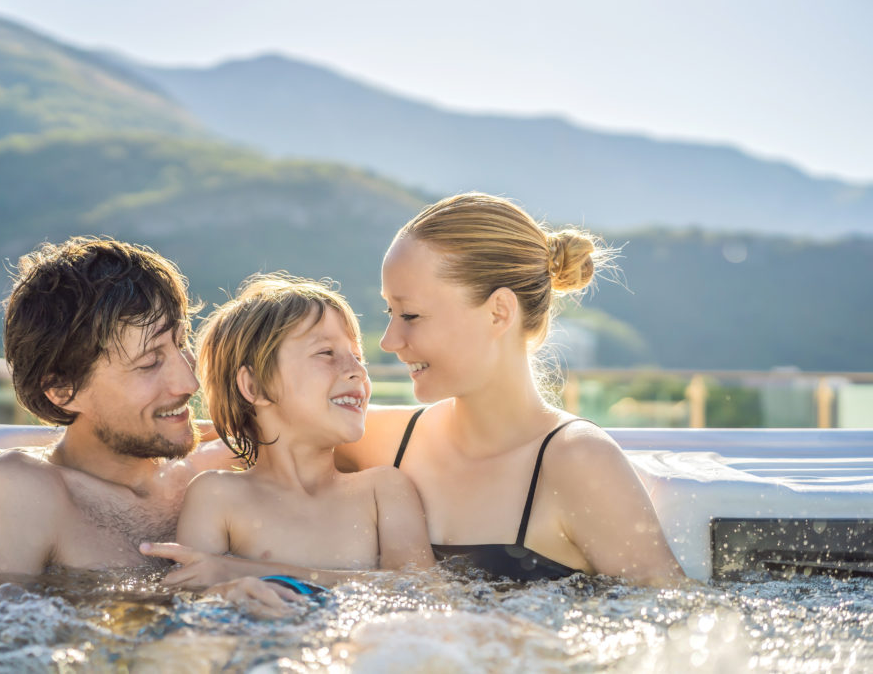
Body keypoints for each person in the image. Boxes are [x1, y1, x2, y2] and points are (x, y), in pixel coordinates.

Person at [146, 193, 686, 587]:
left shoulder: (576, 461)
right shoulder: (375, 439)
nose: (388, 341)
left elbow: (677, 619)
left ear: (499, 312)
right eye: (388, 313)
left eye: (411, 315)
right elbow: (246, 436)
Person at [0, 238, 295, 612]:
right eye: (150, 362)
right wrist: (199, 620)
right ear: (61, 389)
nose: (189, 383)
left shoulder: (233, 458)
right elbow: (0, 651)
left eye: (181, 344)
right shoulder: (20, 493)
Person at [175, 274, 433, 575]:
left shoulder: (382, 491)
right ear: (255, 386)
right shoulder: (216, 496)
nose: (358, 371)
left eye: (357, 356)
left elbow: (423, 594)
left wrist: (240, 571)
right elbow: (193, 598)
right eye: (326, 353)